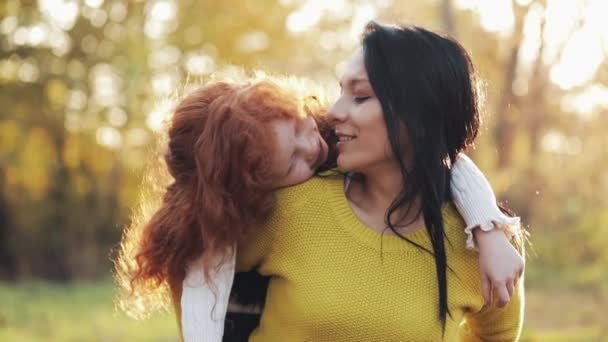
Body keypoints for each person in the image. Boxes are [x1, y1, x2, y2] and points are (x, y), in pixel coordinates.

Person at [115, 35, 523, 339]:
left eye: (360, 96)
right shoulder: (286, 204)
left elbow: (496, 335)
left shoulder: (484, 247)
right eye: (290, 162)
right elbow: (192, 264)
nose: (328, 120)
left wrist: (487, 227)